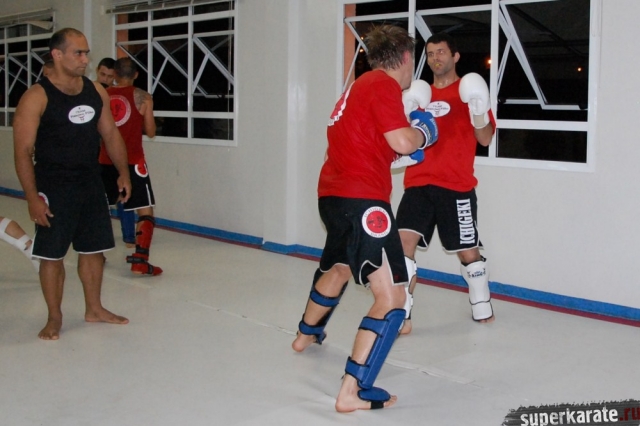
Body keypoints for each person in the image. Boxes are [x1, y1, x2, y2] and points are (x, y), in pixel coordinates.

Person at [291, 25, 437, 412]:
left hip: (333, 196)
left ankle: (305, 335)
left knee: (339, 267)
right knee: (392, 297)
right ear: (405, 58)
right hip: (363, 202)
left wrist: (402, 148)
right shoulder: (382, 85)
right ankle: (352, 391)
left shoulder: (355, 90)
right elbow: (403, 141)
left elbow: (375, 148)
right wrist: (423, 134)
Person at [13, 27, 132, 340]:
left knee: (93, 250)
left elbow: (110, 134)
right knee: (52, 255)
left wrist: (123, 171)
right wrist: (32, 198)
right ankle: (54, 316)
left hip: (90, 181)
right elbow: (23, 151)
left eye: (86, 53)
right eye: (78, 53)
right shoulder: (36, 97)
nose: (85, 59)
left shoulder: (95, 91)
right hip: (53, 184)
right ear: (57, 54)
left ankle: (94, 308)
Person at [396, 32, 497, 335]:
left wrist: (477, 110)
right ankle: (400, 312)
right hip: (418, 183)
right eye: (430, 53)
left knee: (468, 253)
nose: (435, 58)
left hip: (456, 185)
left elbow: (485, 139)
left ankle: (481, 301)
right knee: (402, 247)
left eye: (441, 52)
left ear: (455, 56)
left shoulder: (469, 91)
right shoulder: (419, 95)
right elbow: (402, 139)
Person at [99, 57, 162, 276]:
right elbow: (151, 131)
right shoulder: (143, 97)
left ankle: (95, 255)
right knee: (145, 210)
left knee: (98, 209)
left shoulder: (102, 95)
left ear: (115, 74)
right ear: (136, 75)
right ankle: (140, 261)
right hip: (134, 161)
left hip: (105, 160)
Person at [95, 57, 137, 247]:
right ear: (97, 71)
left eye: (109, 76)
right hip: (95, 155)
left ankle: (129, 236)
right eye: (102, 74)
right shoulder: (90, 92)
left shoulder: (116, 96)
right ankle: (98, 239)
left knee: (123, 194)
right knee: (98, 198)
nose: (105, 79)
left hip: (115, 154)